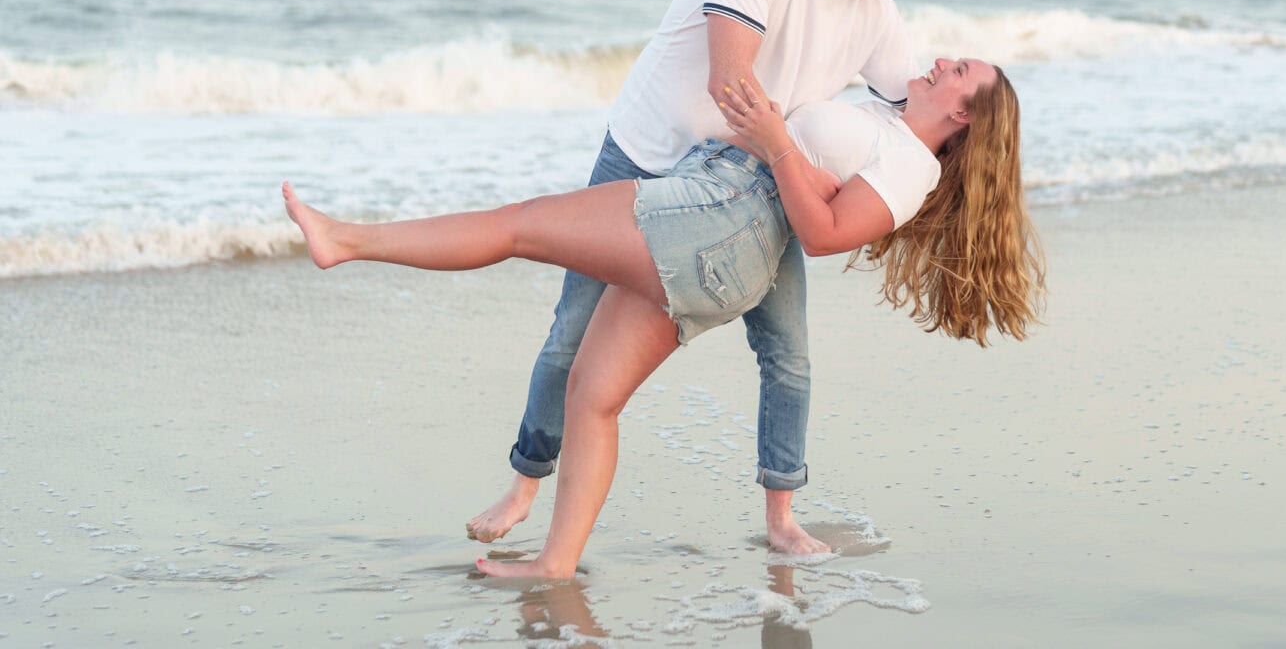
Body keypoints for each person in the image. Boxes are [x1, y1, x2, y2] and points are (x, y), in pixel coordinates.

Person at [282, 57, 1046, 579]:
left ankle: (346, 241)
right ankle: (555, 561)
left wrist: (776, 139)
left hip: (714, 218)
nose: (946, 60)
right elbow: (821, 194)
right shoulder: (888, 121)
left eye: (962, 71)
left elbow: (822, 234)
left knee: (520, 225)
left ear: (965, 114)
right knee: (594, 393)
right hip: (721, 229)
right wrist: (782, 143)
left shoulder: (912, 166)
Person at [468, 0, 948, 556]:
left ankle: (781, 517)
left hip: (752, 188)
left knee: (788, 353)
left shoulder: (876, 16)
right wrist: (802, 167)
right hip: (649, 151)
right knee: (572, 330)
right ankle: (524, 482)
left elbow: (917, 119)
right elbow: (732, 85)